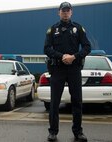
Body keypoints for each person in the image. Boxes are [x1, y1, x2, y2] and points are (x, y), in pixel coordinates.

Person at [44, 2, 91, 142]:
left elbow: (87, 47)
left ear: (71, 12)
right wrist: (62, 56)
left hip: (74, 69)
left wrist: (74, 57)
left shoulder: (78, 28)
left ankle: (78, 132)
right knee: (54, 102)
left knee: (77, 101)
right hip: (58, 69)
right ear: (58, 12)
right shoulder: (52, 29)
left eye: (67, 10)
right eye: (63, 10)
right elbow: (46, 49)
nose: (65, 13)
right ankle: (53, 132)